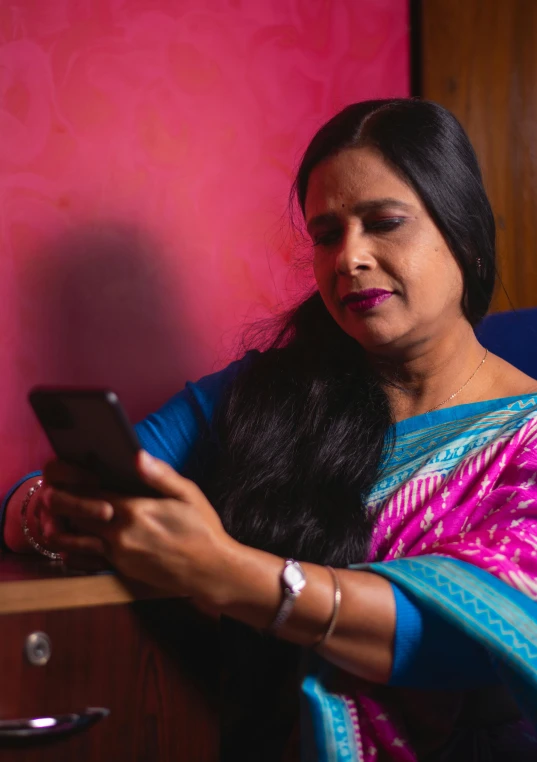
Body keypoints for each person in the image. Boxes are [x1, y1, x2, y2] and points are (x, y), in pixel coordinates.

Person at [3, 98, 537, 761]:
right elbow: (53, 484)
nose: (350, 258)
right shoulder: (270, 392)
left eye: (383, 223)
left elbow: (456, 636)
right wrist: (52, 514)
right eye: (325, 234)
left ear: (462, 230)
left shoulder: (525, 439)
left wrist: (229, 573)